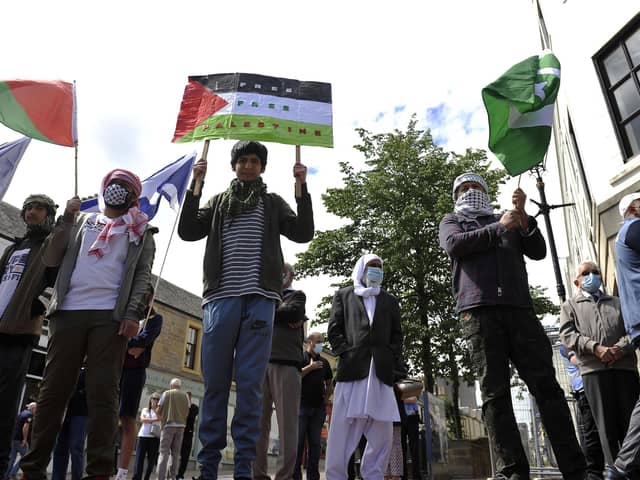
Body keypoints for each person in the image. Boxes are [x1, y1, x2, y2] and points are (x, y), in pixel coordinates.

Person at [178, 140, 314, 480]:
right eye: (243, 160)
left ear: (263, 167)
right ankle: (207, 469)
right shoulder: (219, 203)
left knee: (251, 388)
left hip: (259, 301)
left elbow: (303, 232)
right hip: (220, 299)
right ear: (234, 165)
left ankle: (243, 470)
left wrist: (302, 188)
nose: (248, 166)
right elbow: (188, 230)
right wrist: (195, 186)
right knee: (216, 385)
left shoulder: (271, 203)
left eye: (255, 161)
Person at [438, 172, 586, 480]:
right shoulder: (452, 221)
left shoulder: (509, 219)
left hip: (519, 310)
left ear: (485, 190)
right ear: (456, 195)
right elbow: (454, 246)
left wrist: (525, 220)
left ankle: (575, 468)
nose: (470, 191)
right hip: (478, 312)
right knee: (495, 394)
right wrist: (499, 227)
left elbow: (538, 251)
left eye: (475, 186)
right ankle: (513, 471)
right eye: (463, 188)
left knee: (547, 388)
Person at [20, 169, 157, 480]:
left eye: (124, 187)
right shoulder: (82, 220)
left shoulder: (141, 232)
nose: (117, 191)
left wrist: (133, 313)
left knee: (103, 394)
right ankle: (32, 470)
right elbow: (51, 258)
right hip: (68, 312)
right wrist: (65, 219)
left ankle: (99, 472)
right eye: (113, 185)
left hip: (109, 317)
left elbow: (142, 277)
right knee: (53, 392)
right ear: (103, 188)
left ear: (134, 196)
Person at [325, 253, 403, 480]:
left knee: (382, 435)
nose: (376, 270)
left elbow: (397, 335)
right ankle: (335, 476)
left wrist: (390, 355)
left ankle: (373, 475)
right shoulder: (344, 295)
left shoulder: (390, 300)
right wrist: (346, 353)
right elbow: (334, 329)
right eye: (371, 266)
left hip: (380, 374)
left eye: (379, 266)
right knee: (341, 432)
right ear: (361, 269)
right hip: (352, 371)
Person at [559, 260, 638, 469]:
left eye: (595, 272)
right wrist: (596, 348)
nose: (592, 276)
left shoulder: (618, 302)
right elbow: (568, 336)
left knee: (632, 425)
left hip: (624, 369)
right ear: (577, 281)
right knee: (606, 429)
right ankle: (616, 471)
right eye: (586, 273)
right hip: (594, 373)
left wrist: (619, 349)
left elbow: (633, 330)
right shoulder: (570, 307)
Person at [0, 194, 57, 478]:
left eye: (38, 208)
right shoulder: (13, 248)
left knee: (5, 406)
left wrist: (40, 304)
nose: (32, 212)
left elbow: (58, 280)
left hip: (21, 332)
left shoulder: (52, 246)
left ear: (49, 214)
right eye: (28, 208)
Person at [254, 262, 306, 480]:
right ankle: (257, 474)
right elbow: (253, 317)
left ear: (291, 275)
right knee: (257, 425)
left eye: (284, 271)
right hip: (259, 363)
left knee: (287, 427)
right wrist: (276, 313)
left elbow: (293, 313)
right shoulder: (262, 294)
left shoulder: (297, 295)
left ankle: (284, 476)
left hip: (287, 364)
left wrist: (267, 314)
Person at [605, 193, 640, 479]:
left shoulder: (623, 237)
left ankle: (624, 467)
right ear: (630, 208)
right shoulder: (633, 228)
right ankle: (623, 467)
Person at [116, 292, 164, 480]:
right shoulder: (123, 311)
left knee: (127, 418)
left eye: (145, 296)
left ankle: (122, 472)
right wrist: (129, 343)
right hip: (115, 368)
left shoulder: (155, 318)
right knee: (108, 416)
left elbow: (143, 341)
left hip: (134, 373)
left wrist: (125, 340)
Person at [558, 345, 604, 480]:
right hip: (583, 391)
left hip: (597, 387)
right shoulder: (566, 346)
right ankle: (593, 472)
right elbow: (577, 361)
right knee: (590, 434)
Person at [294, 332, 333, 480]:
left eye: (322, 342)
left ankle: (313, 477)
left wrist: (326, 398)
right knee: (298, 444)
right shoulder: (301, 357)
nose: (320, 345)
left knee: (316, 445)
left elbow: (329, 382)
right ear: (309, 342)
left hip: (318, 409)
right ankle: (295, 476)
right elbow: (295, 376)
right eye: (318, 341)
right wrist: (310, 368)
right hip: (301, 406)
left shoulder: (325, 362)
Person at [51, 367, 88, 480]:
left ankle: (76, 477)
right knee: (59, 447)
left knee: (76, 447)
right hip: (64, 411)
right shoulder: (71, 364)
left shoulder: (91, 368)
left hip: (81, 412)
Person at [156, 378, 189, 480]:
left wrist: (161, 417)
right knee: (175, 453)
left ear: (171, 385)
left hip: (168, 425)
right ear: (180, 386)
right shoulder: (186, 396)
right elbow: (187, 413)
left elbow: (158, 410)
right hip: (181, 426)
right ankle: (172, 477)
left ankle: (160, 478)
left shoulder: (167, 393)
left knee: (164, 452)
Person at [132, 393, 161, 480]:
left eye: (157, 399)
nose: (155, 400)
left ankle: (146, 477)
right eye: (153, 398)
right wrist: (154, 419)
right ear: (150, 399)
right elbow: (142, 420)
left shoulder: (160, 411)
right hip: (143, 436)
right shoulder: (145, 409)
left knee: (151, 461)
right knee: (139, 459)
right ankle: (137, 478)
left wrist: (156, 410)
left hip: (154, 438)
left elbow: (161, 419)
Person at [4, 403, 36, 480]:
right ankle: (13, 473)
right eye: (36, 409)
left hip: (14, 438)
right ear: (33, 408)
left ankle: (6, 476)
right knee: (26, 458)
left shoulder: (22, 413)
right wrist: (24, 439)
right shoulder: (29, 415)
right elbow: (25, 427)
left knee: (12, 458)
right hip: (20, 440)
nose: (36, 411)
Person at [176, 392, 198, 480]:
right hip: (177, 433)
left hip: (187, 435)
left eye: (187, 398)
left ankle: (180, 475)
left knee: (185, 457)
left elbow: (191, 417)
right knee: (174, 454)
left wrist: (187, 407)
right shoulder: (179, 407)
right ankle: (171, 473)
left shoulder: (194, 407)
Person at [400, 397, 421, 480]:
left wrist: (400, 399)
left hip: (412, 416)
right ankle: (403, 476)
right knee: (401, 449)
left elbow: (415, 398)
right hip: (399, 417)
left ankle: (417, 476)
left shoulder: (411, 383)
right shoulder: (394, 384)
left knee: (415, 449)